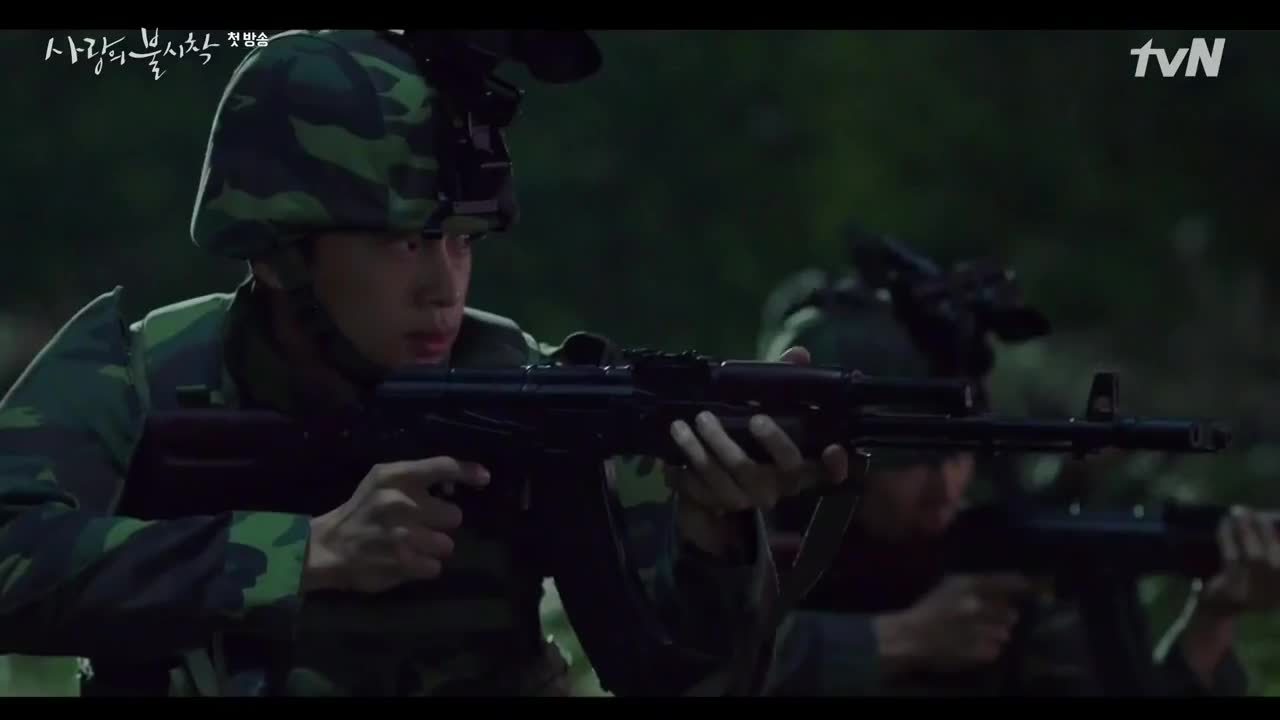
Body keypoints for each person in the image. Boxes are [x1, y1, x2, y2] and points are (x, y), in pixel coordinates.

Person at [0, 29, 850, 696]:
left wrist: (713, 536)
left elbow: (694, 681)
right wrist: (302, 553)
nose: (443, 286)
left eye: (461, 241)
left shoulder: (537, 398)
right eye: (404, 242)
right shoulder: (139, 373)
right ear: (280, 252)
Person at [757, 262, 1280, 696]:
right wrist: (903, 639)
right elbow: (717, 656)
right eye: (909, 459)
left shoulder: (991, 582)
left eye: (960, 455)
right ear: (822, 458)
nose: (945, 487)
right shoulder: (742, 555)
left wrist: (1210, 624)